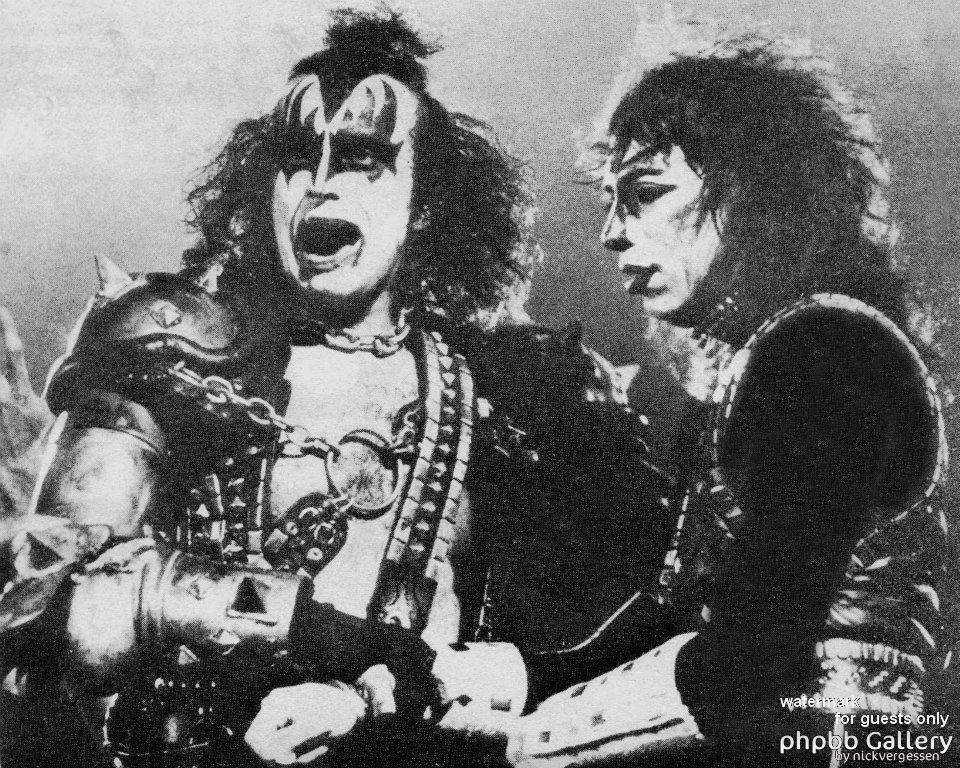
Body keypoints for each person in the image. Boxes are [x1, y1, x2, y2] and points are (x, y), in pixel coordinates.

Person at [0, 8, 673, 767]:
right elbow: (43, 587)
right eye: (296, 159)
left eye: (361, 159)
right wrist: (311, 630)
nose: (318, 186)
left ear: (426, 203)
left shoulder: (512, 394)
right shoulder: (172, 344)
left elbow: (623, 637)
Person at [505, 33, 949, 767]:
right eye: (612, 202)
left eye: (646, 194)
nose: (612, 234)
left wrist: (525, 741)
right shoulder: (775, 353)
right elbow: (683, 616)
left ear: (751, 194)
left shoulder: (826, 349)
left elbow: (754, 655)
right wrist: (515, 677)